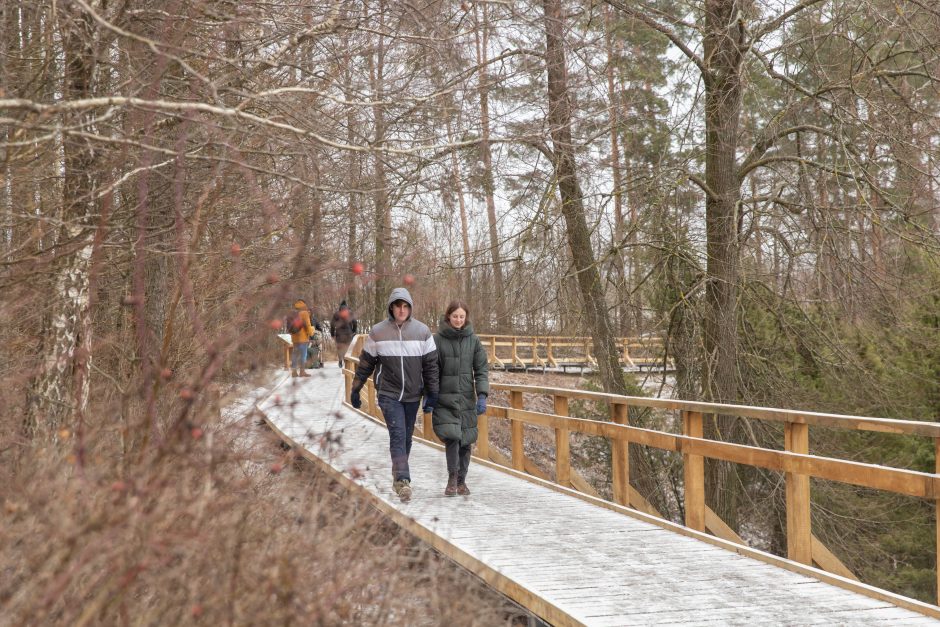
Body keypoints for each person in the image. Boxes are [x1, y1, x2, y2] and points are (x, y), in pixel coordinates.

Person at [350, 288, 439, 502]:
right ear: (391, 307)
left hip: (412, 394)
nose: (401, 309)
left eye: (405, 305)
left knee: (407, 437)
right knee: (398, 434)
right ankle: (402, 481)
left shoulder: (423, 332)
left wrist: (432, 393)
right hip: (388, 393)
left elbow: (431, 366)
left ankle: (398, 473)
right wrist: (355, 388)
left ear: (410, 307)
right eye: (398, 305)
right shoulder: (378, 332)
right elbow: (365, 364)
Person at [432, 301, 488, 496]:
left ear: (466, 318)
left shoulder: (474, 341)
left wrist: (482, 394)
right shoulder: (437, 340)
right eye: (455, 316)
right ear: (448, 316)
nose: (458, 320)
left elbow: (481, 370)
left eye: (461, 316)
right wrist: (430, 395)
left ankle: (462, 481)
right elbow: (431, 370)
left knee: (466, 440)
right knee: (452, 438)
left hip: (466, 398)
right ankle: (452, 479)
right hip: (444, 399)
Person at [288, 299, 315, 377]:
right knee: (303, 355)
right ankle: (302, 372)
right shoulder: (304, 313)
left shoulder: (292, 313)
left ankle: (294, 372)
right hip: (303, 338)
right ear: (304, 304)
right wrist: (311, 332)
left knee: (295, 355)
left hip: (294, 338)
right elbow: (308, 326)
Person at [330, 300, 358, 369]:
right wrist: (354, 331)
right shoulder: (350, 313)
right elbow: (355, 322)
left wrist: (332, 334)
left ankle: (340, 360)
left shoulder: (336, 314)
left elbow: (332, 325)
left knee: (340, 348)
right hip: (349, 334)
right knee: (348, 349)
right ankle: (346, 362)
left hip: (339, 334)